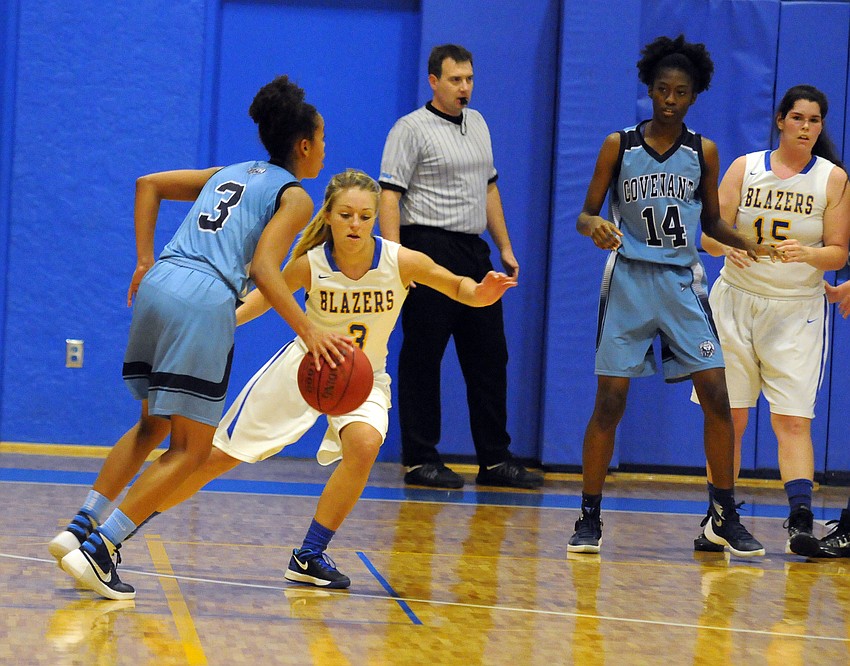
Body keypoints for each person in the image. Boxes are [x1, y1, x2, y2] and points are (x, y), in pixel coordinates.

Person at [130, 169, 518, 589]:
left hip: (362, 378)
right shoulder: (310, 264)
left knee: (365, 444)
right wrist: (215, 323)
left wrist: (480, 293)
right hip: (303, 370)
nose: (356, 224)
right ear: (329, 216)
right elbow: (260, 302)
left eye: (366, 217)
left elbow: (457, 286)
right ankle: (118, 532)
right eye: (347, 214)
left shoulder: (401, 261)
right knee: (216, 459)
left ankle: (309, 554)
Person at [48, 76, 348, 600]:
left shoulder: (228, 172)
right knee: (192, 450)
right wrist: (309, 330)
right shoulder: (294, 196)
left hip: (161, 282)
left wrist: (144, 260)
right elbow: (263, 268)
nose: (325, 148)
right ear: (303, 145)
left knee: (151, 427)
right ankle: (100, 550)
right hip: (204, 297)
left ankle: (78, 528)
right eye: (322, 139)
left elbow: (149, 184)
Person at [568, 35, 780, 556]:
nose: (669, 98)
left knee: (716, 395)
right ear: (649, 89)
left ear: (694, 96)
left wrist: (749, 242)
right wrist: (594, 226)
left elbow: (711, 220)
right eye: (662, 89)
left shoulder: (702, 150)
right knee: (610, 402)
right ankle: (588, 516)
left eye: (680, 92)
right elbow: (585, 213)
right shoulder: (618, 145)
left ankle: (723, 515)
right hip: (630, 282)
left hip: (683, 283)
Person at [378, 43, 543, 490]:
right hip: (426, 246)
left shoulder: (480, 124)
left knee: (490, 355)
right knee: (424, 354)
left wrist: (504, 245)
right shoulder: (409, 129)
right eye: (455, 80)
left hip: (474, 252)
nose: (464, 88)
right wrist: (395, 259)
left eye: (469, 79)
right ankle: (420, 458)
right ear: (434, 81)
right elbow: (389, 194)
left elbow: (489, 188)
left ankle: (494, 460)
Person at [694, 85, 850, 556]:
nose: (806, 127)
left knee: (792, 420)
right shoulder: (746, 167)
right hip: (736, 303)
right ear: (781, 120)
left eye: (815, 121)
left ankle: (800, 518)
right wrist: (729, 247)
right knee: (729, 417)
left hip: (796, 310)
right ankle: (718, 515)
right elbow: (708, 233)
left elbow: (839, 251)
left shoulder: (833, 179)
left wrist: (809, 253)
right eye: (798, 118)